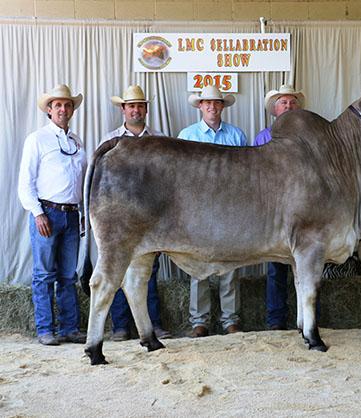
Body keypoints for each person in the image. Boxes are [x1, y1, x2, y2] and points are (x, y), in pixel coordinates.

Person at [17, 84, 88, 345]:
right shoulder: (36, 139)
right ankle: (45, 329)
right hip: (46, 212)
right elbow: (26, 182)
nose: (63, 109)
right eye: (57, 105)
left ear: (72, 109)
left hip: (71, 215)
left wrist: (81, 211)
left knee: (68, 275)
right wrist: (37, 213)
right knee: (44, 274)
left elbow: (80, 182)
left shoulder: (77, 141)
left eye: (67, 105)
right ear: (49, 110)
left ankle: (69, 328)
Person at [102, 85, 171, 341]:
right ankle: (121, 326)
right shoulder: (109, 141)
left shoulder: (160, 140)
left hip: (152, 216)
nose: (136, 110)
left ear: (146, 109)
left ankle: (152, 325)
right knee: (117, 268)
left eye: (140, 105)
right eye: (131, 106)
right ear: (123, 109)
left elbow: (168, 184)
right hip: (120, 215)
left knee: (148, 270)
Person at [177, 85, 247, 337]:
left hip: (229, 209)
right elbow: (180, 177)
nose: (211, 107)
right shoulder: (186, 136)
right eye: (207, 103)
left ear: (222, 107)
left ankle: (230, 320)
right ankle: (200, 321)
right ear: (200, 106)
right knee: (198, 266)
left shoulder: (237, 136)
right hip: (198, 211)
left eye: (216, 103)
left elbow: (245, 176)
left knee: (229, 264)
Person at [253, 84, 305, 330]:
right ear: (274, 109)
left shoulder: (308, 139)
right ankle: (276, 320)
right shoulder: (263, 138)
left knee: (305, 266)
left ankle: (305, 317)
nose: (289, 106)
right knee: (276, 269)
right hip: (273, 211)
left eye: (292, 102)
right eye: (284, 102)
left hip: (302, 211)